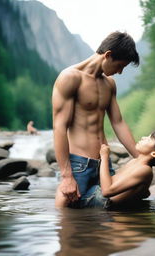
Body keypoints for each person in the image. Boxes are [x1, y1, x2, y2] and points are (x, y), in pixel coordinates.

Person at [52, 31, 139, 207]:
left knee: (111, 214)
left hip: (104, 163)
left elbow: (118, 122)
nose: (120, 72)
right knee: (66, 217)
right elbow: (59, 126)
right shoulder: (70, 78)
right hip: (79, 164)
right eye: (120, 65)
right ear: (108, 56)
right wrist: (67, 176)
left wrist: (139, 157)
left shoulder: (109, 83)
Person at [55, 129, 155, 209]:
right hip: (100, 193)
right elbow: (120, 181)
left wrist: (104, 157)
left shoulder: (144, 170)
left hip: (102, 201)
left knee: (64, 194)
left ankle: (60, 222)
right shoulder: (136, 162)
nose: (143, 137)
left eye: (150, 139)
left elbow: (107, 191)